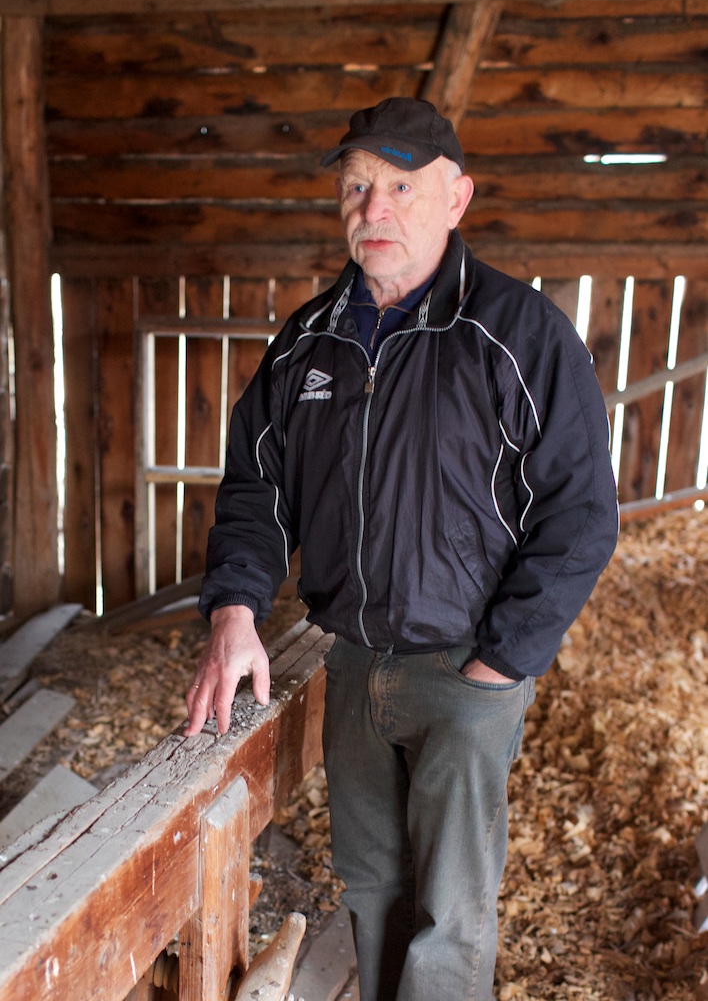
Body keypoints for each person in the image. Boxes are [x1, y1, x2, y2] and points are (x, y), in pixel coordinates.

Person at [184, 97, 619, 1000]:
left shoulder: (517, 334)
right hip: (354, 666)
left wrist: (503, 664)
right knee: (374, 893)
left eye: (399, 186)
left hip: (466, 673)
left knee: (451, 922)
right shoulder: (310, 339)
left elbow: (580, 513)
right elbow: (255, 490)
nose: (372, 209)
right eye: (355, 187)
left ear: (456, 198)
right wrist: (234, 612)